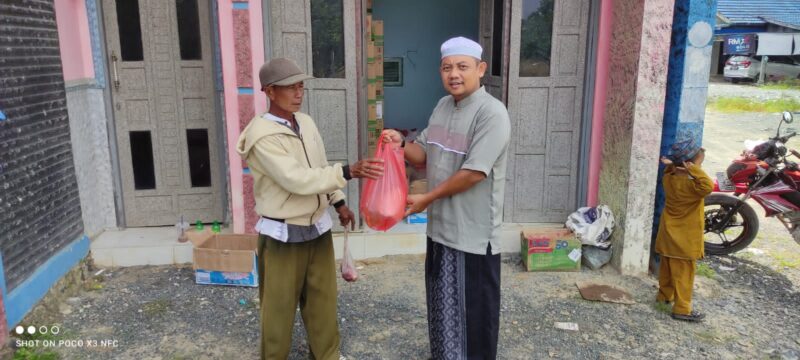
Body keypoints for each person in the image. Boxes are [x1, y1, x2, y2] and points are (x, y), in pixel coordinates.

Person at [237, 57, 384, 359]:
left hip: (317, 227)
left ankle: (327, 355)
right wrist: (347, 172)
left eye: (301, 86)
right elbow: (296, 180)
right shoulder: (261, 136)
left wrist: (338, 202)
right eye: (290, 87)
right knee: (278, 308)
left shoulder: (306, 122)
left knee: (323, 301)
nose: (298, 93)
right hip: (282, 234)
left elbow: (317, 167)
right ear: (269, 91)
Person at [384, 36, 511, 359]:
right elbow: (422, 152)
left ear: (480, 69)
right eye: (447, 67)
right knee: (442, 310)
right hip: (440, 231)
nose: (454, 74)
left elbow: (475, 172)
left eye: (462, 67)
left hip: (473, 235)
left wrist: (427, 198)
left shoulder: (492, 113)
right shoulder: (442, 106)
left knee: (475, 318)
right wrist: (399, 144)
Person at [655, 138, 713, 322]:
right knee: (684, 276)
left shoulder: (669, 177)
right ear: (690, 163)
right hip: (684, 239)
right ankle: (682, 309)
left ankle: (664, 296)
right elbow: (708, 186)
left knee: (667, 269)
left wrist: (675, 165)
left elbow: (672, 169)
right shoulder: (693, 186)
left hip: (668, 234)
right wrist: (694, 169)